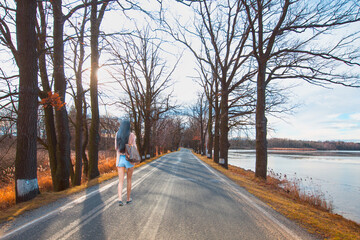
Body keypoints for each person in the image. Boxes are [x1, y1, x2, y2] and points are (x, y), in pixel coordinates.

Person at [115, 119, 137, 206]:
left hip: (120, 158)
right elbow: (134, 147)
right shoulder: (132, 135)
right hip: (129, 159)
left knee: (120, 181)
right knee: (129, 179)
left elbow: (116, 147)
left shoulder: (117, 134)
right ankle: (128, 199)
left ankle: (120, 199)